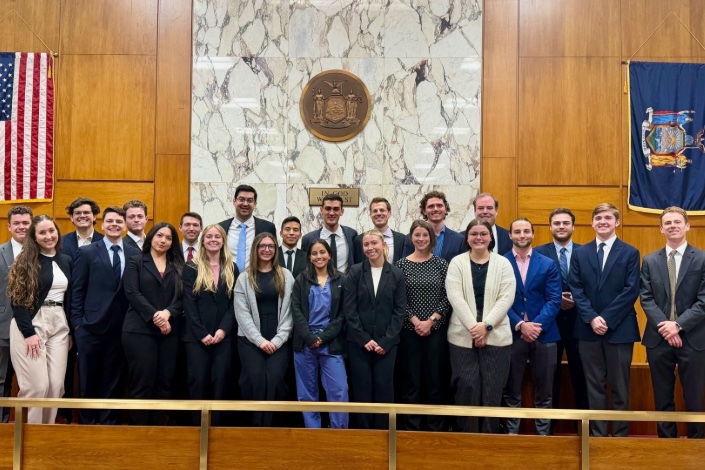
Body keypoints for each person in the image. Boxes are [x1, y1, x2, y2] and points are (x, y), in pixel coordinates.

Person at [569, 203, 640, 437]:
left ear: (617, 222)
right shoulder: (580, 253)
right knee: (594, 385)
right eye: (598, 217)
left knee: (620, 386)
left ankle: (619, 435)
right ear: (592, 223)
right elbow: (576, 288)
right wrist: (591, 318)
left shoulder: (630, 252)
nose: (603, 222)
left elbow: (631, 290)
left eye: (608, 218)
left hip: (619, 328)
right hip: (588, 329)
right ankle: (597, 436)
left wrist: (606, 319)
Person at [71, 206, 140, 424]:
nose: (114, 225)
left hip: (121, 327)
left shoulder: (134, 254)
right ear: (101, 225)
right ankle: (88, 422)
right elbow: (77, 291)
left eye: (119, 222)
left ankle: (109, 422)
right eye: (110, 221)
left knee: (114, 377)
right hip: (90, 327)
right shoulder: (88, 251)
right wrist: (78, 325)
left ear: (125, 225)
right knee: (89, 378)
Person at [640, 206, 705, 438]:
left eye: (677, 222)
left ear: (687, 226)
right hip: (658, 339)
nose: (673, 226)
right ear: (661, 228)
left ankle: (698, 444)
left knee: (695, 396)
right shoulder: (649, 261)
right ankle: (666, 445)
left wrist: (677, 325)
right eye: (667, 223)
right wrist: (666, 327)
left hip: (694, 337)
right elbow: (646, 298)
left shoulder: (702, 258)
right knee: (662, 394)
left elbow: (704, 300)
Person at [446, 219, 515, 433]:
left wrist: (486, 326)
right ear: (467, 238)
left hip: (497, 337)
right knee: (467, 387)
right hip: (461, 337)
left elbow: (506, 297)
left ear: (490, 238)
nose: (478, 238)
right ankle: (467, 439)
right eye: (474, 234)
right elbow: (455, 297)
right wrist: (474, 329)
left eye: (483, 234)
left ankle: (490, 438)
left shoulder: (503, 263)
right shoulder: (457, 263)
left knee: (493, 389)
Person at [7, 215, 72, 424]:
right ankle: (31, 437)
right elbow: (17, 301)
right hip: (31, 325)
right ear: (34, 237)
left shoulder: (66, 260)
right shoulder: (25, 261)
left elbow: (70, 298)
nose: (48, 236)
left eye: (51, 231)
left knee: (55, 386)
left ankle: (47, 436)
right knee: (37, 386)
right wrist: (29, 334)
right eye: (42, 232)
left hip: (59, 326)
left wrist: (70, 331)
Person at [502, 218, 561, 435]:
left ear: (533, 234)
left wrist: (535, 326)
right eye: (517, 231)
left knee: (545, 392)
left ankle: (543, 437)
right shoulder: (501, 262)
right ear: (510, 235)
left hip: (544, 335)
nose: (522, 235)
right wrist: (520, 324)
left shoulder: (547, 263)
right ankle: (512, 435)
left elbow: (554, 299)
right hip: (511, 334)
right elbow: (498, 300)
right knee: (511, 390)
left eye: (526, 231)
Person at [122, 222, 184, 425]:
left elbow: (185, 297)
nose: (163, 241)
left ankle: (159, 429)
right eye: (159, 235)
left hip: (170, 331)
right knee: (142, 382)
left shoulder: (178, 266)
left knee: (165, 383)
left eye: (168, 238)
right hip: (139, 331)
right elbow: (132, 293)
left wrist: (168, 313)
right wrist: (156, 317)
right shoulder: (135, 261)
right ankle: (139, 430)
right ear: (151, 237)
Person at [344, 229, 406, 429]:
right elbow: (349, 308)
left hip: (386, 345)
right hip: (359, 343)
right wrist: (363, 338)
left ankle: (383, 432)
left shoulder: (396, 273)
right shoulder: (355, 272)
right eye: (366, 244)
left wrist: (386, 341)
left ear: (383, 245)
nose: (370, 248)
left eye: (374, 243)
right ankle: (364, 434)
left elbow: (399, 311)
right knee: (361, 389)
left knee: (383, 390)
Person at [234, 232, 294, 427]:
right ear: (255, 249)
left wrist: (277, 340)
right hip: (250, 339)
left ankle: (274, 429)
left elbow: (290, 312)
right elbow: (241, 313)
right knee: (255, 379)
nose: (266, 250)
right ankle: (253, 428)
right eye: (262, 246)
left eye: (270, 246)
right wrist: (259, 340)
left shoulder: (285, 275)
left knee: (276, 380)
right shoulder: (244, 277)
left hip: (279, 338)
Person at [534, 208, 589, 421]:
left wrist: (575, 297)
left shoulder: (585, 252)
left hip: (580, 322)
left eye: (566, 223)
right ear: (550, 227)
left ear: (573, 226)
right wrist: (557, 301)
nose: (561, 226)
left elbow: (591, 285)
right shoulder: (538, 253)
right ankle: (550, 427)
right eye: (557, 223)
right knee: (550, 376)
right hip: (549, 323)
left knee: (581, 375)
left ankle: (583, 427)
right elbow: (535, 287)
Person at [396, 220, 451, 431]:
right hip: (409, 333)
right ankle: (412, 428)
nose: (421, 239)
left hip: (435, 333)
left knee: (435, 381)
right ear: (411, 238)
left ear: (431, 238)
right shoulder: (401, 265)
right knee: (411, 382)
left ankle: (435, 428)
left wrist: (431, 321)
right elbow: (399, 299)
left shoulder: (441, 264)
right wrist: (415, 321)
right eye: (417, 235)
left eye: (425, 235)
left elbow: (448, 297)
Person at [182, 224, 239, 426]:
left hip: (225, 338)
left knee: (221, 384)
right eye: (209, 237)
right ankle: (198, 427)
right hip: (197, 338)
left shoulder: (232, 268)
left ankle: (218, 428)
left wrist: (223, 330)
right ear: (202, 240)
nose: (213, 239)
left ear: (223, 240)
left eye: (217, 236)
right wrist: (202, 333)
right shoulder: (191, 268)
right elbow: (188, 304)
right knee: (198, 383)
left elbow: (235, 304)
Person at [291, 239, 349, 428]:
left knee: (339, 391)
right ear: (309, 257)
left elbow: (343, 313)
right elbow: (296, 309)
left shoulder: (341, 279)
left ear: (330, 255)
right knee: (307, 394)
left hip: (331, 343)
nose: (319, 256)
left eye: (322, 252)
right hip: (305, 343)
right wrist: (309, 337)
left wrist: (323, 337)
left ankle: (339, 434)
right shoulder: (301, 279)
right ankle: (313, 435)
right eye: (314, 253)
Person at [59, 197, 103, 423]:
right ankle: (64, 413)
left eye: (87, 213)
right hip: (64, 309)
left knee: (92, 368)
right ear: (71, 217)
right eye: (78, 213)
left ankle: (92, 414)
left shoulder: (106, 241)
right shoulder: (61, 242)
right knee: (64, 365)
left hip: (95, 315)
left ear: (95, 215)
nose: (83, 216)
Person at [1, 205, 32, 423]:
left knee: (31, 382)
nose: (21, 227)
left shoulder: (43, 253)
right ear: (9, 226)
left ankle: (28, 427)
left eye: (26, 223)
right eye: (17, 223)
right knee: (2, 378)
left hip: (34, 328)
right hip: (3, 325)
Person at [218, 184, 277, 272]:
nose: (245, 204)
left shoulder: (267, 227)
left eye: (250, 200)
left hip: (256, 280)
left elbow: (274, 256)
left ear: (255, 204)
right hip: (226, 280)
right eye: (241, 199)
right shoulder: (221, 227)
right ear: (234, 201)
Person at [402, 190, 466, 263]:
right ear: (424, 211)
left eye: (439, 205)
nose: (435, 209)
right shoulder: (410, 239)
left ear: (445, 209)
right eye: (431, 206)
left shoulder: (459, 240)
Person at [301, 194, 358, 273]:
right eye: (328, 209)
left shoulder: (352, 235)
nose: (331, 213)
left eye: (336, 209)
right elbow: (306, 266)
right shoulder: (308, 239)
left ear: (342, 211)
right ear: (321, 210)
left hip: (346, 284)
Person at [354, 197, 406, 265]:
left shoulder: (402, 239)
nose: (378, 213)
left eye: (382, 210)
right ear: (370, 215)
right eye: (375, 211)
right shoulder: (359, 240)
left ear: (389, 213)